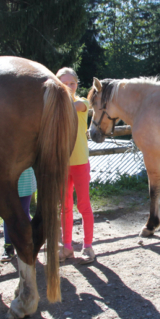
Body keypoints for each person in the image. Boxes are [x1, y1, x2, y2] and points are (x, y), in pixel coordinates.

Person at [56, 67, 95, 264]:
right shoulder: (54, 106)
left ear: (77, 85)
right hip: (62, 164)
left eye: (72, 83)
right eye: (64, 83)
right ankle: (67, 247)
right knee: (65, 207)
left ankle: (88, 246)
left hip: (80, 163)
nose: (69, 87)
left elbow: (74, 106)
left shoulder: (83, 104)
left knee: (83, 205)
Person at [0, 167, 37, 262]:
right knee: (8, 215)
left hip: (25, 180)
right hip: (8, 180)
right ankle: (9, 247)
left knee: (24, 213)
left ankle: (29, 243)